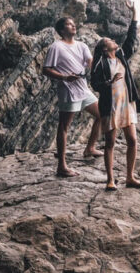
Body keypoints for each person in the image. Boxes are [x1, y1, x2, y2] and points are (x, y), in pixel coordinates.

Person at [90, 1, 140, 191]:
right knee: (110, 142)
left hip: (127, 104)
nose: (114, 41)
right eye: (109, 41)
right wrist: (109, 83)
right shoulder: (100, 64)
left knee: (132, 140)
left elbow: (131, 38)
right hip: (110, 106)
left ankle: (130, 176)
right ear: (105, 49)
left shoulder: (121, 56)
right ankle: (110, 179)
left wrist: (134, 13)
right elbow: (94, 84)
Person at [43, 15, 101, 178]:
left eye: (73, 23)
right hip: (68, 89)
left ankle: (90, 148)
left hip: (83, 89)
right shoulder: (56, 47)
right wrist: (64, 77)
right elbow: (46, 69)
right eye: (69, 24)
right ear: (62, 30)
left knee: (102, 115)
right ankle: (61, 166)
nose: (73, 26)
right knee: (64, 127)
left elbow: (90, 62)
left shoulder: (81, 45)